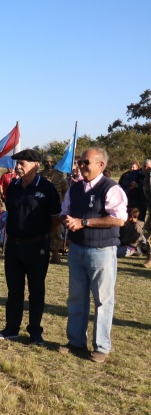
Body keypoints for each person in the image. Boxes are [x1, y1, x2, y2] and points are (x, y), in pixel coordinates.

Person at [59, 148, 127, 363]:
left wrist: (84, 222)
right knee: (76, 298)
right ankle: (76, 341)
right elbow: (64, 211)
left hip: (102, 251)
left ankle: (101, 346)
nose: (82, 165)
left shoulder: (111, 188)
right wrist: (67, 220)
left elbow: (118, 219)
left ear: (101, 165)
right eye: (80, 161)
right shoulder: (75, 188)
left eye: (86, 162)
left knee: (102, 300)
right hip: (77, 249)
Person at [0, 149, 61, 345]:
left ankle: (34, 332)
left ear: (36, 164)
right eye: (17, 163)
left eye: (23, 163)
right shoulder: (14, 185)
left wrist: (39, 234)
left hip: (37, 247)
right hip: (14, 247)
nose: (18, 166)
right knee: (14, 290)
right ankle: (12, 328)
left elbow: (55, 219)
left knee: (36, 291)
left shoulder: (47, 189)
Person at [41, 154, 68, 264]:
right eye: (46, 162)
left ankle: (55, 253)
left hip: (57, 206)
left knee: (56, 231)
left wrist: (64, 204)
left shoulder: (59, 176)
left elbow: (66, 191)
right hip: (41, 206)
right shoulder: (38, 175)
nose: (49, 164)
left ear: (54, 163)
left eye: (51, 162)